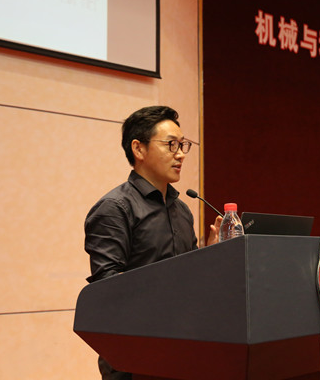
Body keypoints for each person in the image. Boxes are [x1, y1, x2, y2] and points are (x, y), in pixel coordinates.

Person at [84, 105, 222, 379]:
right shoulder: (115, 208)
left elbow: (190, 281)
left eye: (182, 145)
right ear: (139, 149)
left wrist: (210, 256)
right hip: (134, 359)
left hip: (182, 350)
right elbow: (107, 289)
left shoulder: (182, 209)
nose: (181, 154)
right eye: (171, 145)